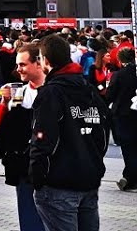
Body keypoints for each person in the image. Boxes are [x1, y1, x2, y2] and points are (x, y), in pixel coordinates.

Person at [28, 34, 107, 231]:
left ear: (45, 61)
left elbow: (43, 138)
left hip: (58, 184)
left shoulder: (51, 93)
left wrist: (37, 176)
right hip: (88, 179)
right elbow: (102, 134)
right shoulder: (88, 90)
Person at [0, 43, 45, 231]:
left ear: (39, 63)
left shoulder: (55, 90)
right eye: (17, 65)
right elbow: (2, 126)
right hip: (24, 166)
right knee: (28, 216)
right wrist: (4, 103)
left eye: (22, 64)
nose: (18, 69)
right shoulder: (19, 93)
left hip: (51, 167)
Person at [105, 47, 137, 191]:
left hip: (122, 115)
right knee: (136, 146)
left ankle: (131, 177)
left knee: (127, 147)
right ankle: (131, 176)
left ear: (120, 60)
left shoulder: (118, 75)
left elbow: (110, 95)